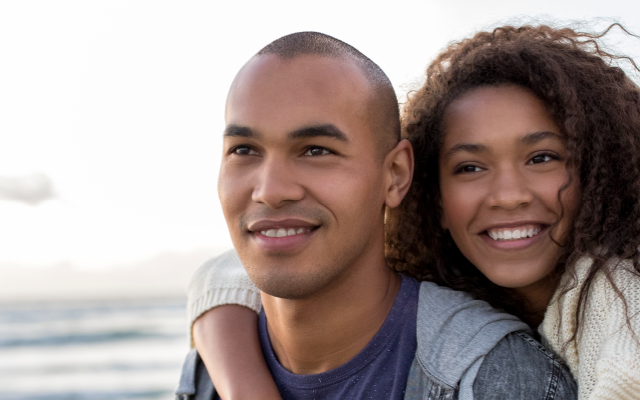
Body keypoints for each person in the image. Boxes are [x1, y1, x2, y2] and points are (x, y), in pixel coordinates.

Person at [186, 25, 640, 400]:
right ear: (433, 196)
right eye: (469, 167)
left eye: (541, 158)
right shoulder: (442, 271)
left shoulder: (616, 306)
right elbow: (227, 274)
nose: (506, 195)